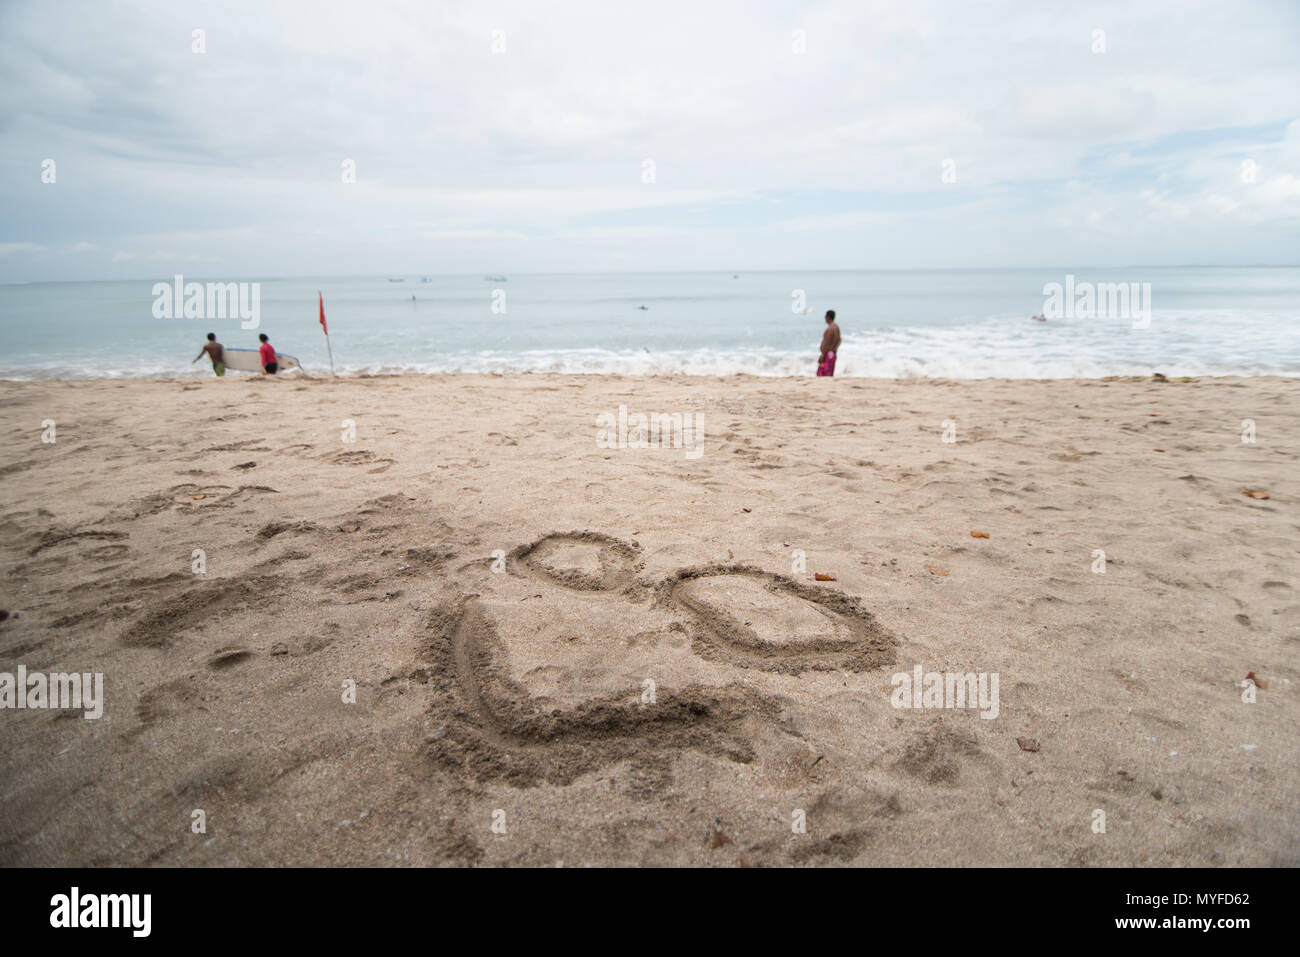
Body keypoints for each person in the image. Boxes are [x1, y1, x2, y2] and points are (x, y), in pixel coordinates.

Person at [817, 309, 841, 376]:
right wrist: (835, 349)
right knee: (829, 373)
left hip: (827, 354)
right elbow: (839, 340)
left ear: (827, 317)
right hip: (832, 354)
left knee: (822, 373)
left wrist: (823, 355)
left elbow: (827, 343)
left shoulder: (830, 329)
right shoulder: (836, 327)